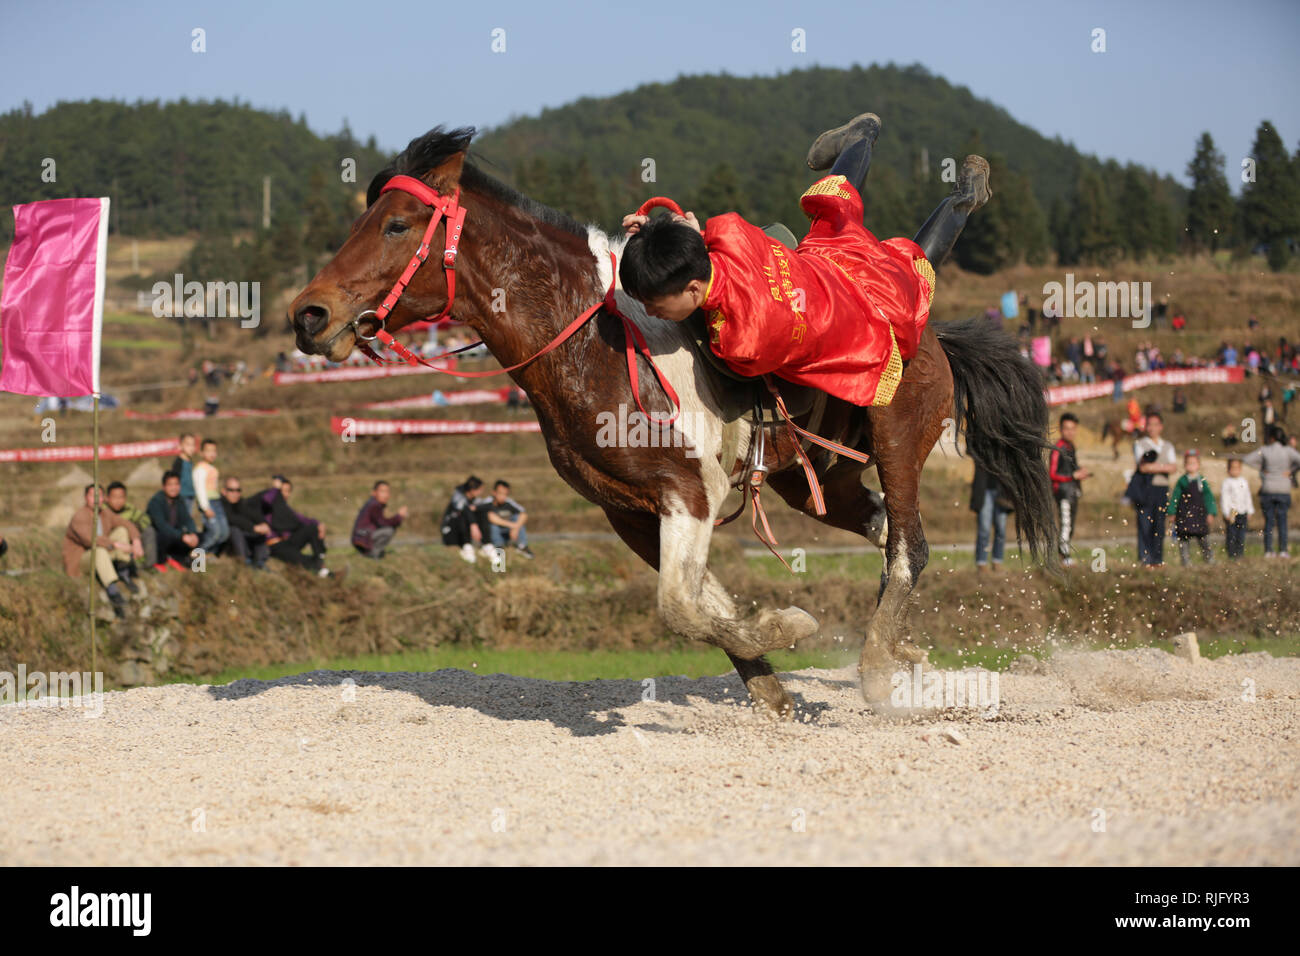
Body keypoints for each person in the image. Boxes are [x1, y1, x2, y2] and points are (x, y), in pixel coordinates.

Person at [618, 111, 990, 408]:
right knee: (833, 206)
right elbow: (698, 245)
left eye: (654, 302)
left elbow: (745, 363)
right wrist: (657, 235)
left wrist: (666, 240)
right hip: (828, 265)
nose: (651, 313)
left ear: (693, 286)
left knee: (910, 280)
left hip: (862, 315)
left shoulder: (741, 340)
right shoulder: (727, 232)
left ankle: (965, 196)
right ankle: (865, 137)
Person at [63, 484, 141, 618]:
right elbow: (90, 540)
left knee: (121, 531)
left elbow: (126, 523)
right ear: (86, 498)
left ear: (104, 498)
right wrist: (116, 544)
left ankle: (123, 571)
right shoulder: (80, 516)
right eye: (92, 496)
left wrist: (136, 541)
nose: (96, 500)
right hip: (83, 558)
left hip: (104, 553)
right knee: (99, 551)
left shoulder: (104, 513)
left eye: (99, 496)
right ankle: (113, 591)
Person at [1242, 425, 1300, 558]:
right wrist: (1291, 471)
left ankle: (1268, 550)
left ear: (1271, 438)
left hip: (1268, 488)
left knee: (1268, 521)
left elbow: (1246, 459)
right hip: (1283, 488)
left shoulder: (1265, 450)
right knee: (1282, 521)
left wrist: (1262, 469)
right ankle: (1283, 550)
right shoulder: (1288, 451)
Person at [1133, 412, 1178, 568]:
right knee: (1145, 523)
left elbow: (1174, 467)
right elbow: (1143, 467)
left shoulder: (1168, 446)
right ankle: (1146, 558)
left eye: (1155, 424)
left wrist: (1155, 467)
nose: (1152, 428)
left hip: (1162, 489)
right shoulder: (1140, 444)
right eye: (1149, 424)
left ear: (1161, 427)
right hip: (1145, 489)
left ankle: (1158, 559)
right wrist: (1163, 467)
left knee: (1159, 524)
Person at [263, 478, 332, 575]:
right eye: (281, 491)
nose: (285, 494)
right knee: (303, 560)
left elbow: (301, 519)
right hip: (276, 546)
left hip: (288, 541)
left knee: (312, 528)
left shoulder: (286, 509)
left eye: (288, 491)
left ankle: (320, 559)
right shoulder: (268, 506)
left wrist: (319, 524)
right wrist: (275, 489)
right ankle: (328, 575)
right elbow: (266, 499)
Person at [1049, 413, 1090, 566]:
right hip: (1062, 492)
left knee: (1071, 524)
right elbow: (1052, 473)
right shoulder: (1058, 448)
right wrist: (1073, 475)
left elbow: (1072, 468)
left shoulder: (1070, 447)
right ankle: (1064, 555)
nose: (1070, 432)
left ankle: (1065, 554)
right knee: (1066, 524)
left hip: (1072, 491)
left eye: (1073, 429)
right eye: (1067, 429)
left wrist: (1081, 472)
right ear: (1061, 429)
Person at [1167, 450, 1217, 566]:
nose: (1191, 466)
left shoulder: (1202, 481)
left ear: (1198, 464)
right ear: (1184, 465)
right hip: (1184, 516)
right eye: (1188, 463)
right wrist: (1172, 512)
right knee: (1184, 539)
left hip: (1200, 516)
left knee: (1204, 538)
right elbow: (1175, 496)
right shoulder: (1182, 481)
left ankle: (1209, 558)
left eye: (1193, 463)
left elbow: (1209, 497)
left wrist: (1211, 512)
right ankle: (1185, 561)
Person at [147, 471, 199, 570]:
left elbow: (187, 519)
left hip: (174, 534)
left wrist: (193, 533)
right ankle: (161, 561)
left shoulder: (179, 500)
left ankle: (198, 567)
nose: (174, 488)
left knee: (199, 536)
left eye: (176, 484)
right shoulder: (156, 502)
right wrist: (182, 536)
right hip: (158, 537)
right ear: (164, 486)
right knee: (165, 535)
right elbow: (161, 526)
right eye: (170, 484)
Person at [104, 481, 150, 581]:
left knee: (148, 532)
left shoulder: (130, 509)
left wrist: (137, 528)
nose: (118, 501)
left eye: (121, 497)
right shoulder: (102, 510)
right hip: (109, 544)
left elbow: (145, 519)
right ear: (107, 498)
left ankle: (143, 565)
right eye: (114, 497)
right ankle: (121, 570)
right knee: (122, 531)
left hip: (130, 543)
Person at [476, 480, 534, 559]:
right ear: (494, 492)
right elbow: (491, 517)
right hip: (491, 534)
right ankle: (499, 548)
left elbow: (523, 513)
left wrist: (516, 528)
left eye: (505, 494)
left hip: (508, 532)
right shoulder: (487, 502)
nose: (503, 496)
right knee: (494, 526)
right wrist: (513, 526)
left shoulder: (509, 502)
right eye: (500, 493)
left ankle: (522, 546)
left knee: (517, 517)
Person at [221, 477, 271, 569]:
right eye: (231, 490)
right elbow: (232, 519)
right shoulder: (220, 504)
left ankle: (260, 562)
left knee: (259, 532)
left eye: (238, 490)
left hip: (244, 540)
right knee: (235, 529)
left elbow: (252, 514)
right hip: (226, 544)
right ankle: (244, 561)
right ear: (224, 491)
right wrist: (254, 528)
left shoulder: (240, 503)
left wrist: (263, 523)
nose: (235, 493)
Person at [351, 480, 408, 559]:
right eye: (382, 491)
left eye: (387, 492)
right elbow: (382, 523)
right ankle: (373, 555)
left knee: (388, 529)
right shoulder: (375, 505)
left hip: (361, 535)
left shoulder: (373, 503)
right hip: (363, 536)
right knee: (389, 530)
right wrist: (399, 516)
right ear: (374, 493)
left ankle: (371, 554)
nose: (385, 495)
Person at [969, 463, 1009, 572]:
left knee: (1001, 528)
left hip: (1002, 491)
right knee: (984, 528)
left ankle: (997, 561)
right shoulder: (982, 447)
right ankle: (981, 562)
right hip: (984, 490)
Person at [192, 438, 229, 554]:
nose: (212, 454)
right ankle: (197, 557)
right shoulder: (200, 469)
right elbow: (200, 490)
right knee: (215, 532)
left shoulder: (213, 468)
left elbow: (212, 487)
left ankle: (210, 554)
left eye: (214, 451)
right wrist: (205, 507)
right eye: (208, 451)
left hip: (217, 502)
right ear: (201, 453)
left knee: (224, 532)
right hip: (209, 504)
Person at [441, 475, 487, 563]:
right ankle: (467, 547)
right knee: (463, 514)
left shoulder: (474, 499)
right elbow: (464, 508)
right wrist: (474, 524)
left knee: (482, 511)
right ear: (473, 490)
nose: (482, 492)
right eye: (480, 490)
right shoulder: (458, 498)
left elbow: (483, 505)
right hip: (451, 533)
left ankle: (487, 545)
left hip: (465, 533)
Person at [1220, 457, 1254, 560]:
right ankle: (1231, 554)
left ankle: (1240, 554)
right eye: (1233, 468)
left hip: (1242, 511)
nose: (1235, 470)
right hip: (1232, 512)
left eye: (1237, 468)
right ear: (1228, 469)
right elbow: (1224, 498)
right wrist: (1226, 513)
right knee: (1231, 534)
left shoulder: (1243, 481)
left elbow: (1247, 496)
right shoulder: (1227, 482)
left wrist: (1250, 510)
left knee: (1241, 534)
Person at [170, 433, 198, 520]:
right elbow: (174, 479)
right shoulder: (178, 462)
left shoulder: (191, 462)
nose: (191, 448)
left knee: (188, 518)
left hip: (190, 495)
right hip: (181, 496)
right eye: (188, 444)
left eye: (193, 445)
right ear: (181, 446)